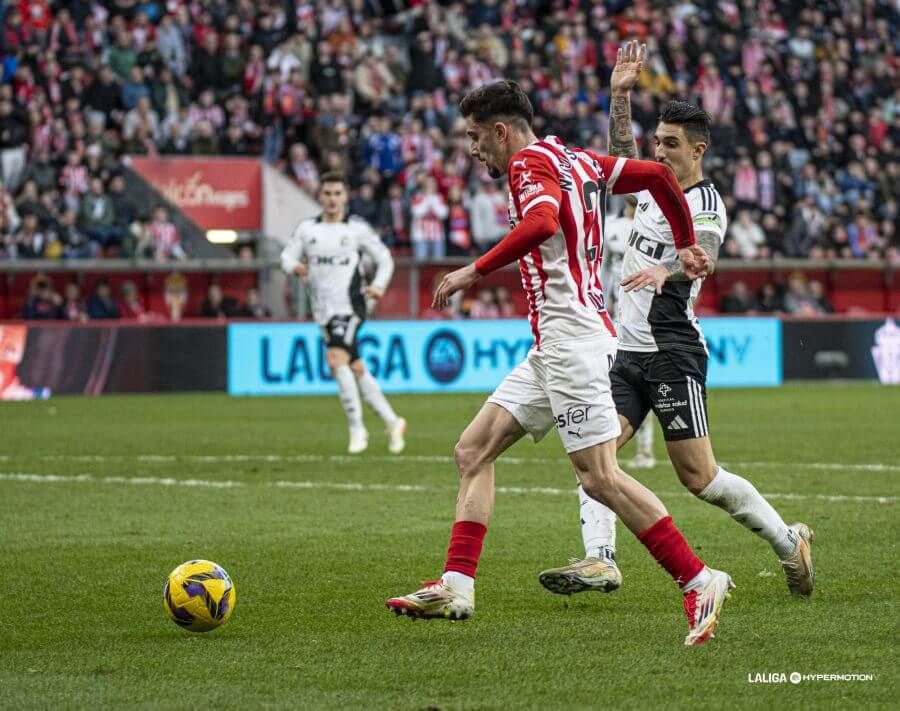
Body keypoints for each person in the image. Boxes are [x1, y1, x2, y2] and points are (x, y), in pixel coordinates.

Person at [386, 79, 733, 646]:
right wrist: (688, 239)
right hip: (556, 345)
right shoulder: (573, 156)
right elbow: (655, 176)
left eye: (476, 138)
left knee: (600, 478)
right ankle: (457, 583)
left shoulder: (527, 165)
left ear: (501, 131)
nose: (474, 151)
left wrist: (474, 270)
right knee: (472, 450)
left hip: (572, 344)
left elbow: (543, 222)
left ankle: (699, 578)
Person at [539, 42, 813, 602]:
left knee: (701, 479)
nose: (658, 152)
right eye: (657, 142)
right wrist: (620, 93)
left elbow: (705, 250)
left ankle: (788, 542)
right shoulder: (652, 187)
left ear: (699, 149)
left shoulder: (705, 201)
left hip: (672, 352)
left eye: (669, 144)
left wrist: (671, 270)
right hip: (626, 353)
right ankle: (600, 559)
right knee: (597, 458)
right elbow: (621, 152)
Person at [280, 172, 406, 455]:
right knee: (354, 365)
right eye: (328, 193)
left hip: (352, 305)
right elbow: (286, 257)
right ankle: (392, 421)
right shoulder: (307, 230)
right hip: (323, 310)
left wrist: (377, 286)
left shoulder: (357, 229)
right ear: (320, 196)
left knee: (335, 359)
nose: (333, 199)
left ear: (345, 196)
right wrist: (295, 267)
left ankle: (357, 428)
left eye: (338, 193)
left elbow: (384, 258)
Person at [600, 194, 657, 469]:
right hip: (613, 315)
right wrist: (601, 298)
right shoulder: (610, 227)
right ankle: (610, 448)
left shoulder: (652, 226)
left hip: (641, 316)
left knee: (640, 381)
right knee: (613, 382)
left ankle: (645, 450)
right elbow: (604, 269)